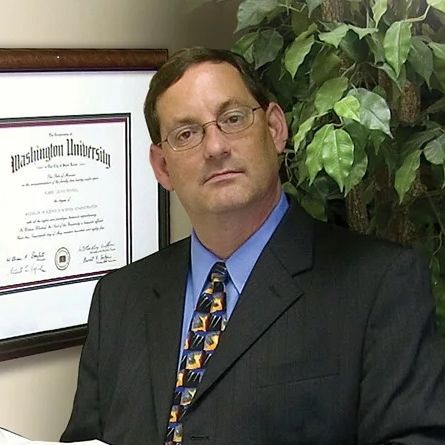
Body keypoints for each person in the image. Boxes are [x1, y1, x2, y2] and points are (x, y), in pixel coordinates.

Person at [61, 47, 445, 445]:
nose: (214, 147)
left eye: (232, 119)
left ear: (275, 128)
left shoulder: (378, 285)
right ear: (162, 167)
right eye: (187, 134)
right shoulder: (120, 299)